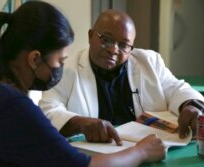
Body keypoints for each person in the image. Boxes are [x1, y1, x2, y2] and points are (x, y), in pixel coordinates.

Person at [0, 1, 165, 167]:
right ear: (34, 59)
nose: (61, 69)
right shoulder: (10, 104)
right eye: (60, 61)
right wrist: (142, 151)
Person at [38, 9, 204, 144]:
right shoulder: (67, 68)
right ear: (90, 36)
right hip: (95, 156)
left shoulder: (149, 62)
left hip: (147, 150)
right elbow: (48, 109)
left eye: (124, 45)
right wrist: (79, 123)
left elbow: (176, 88)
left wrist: (191, 105)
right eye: (106, 40)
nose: (113, 49)